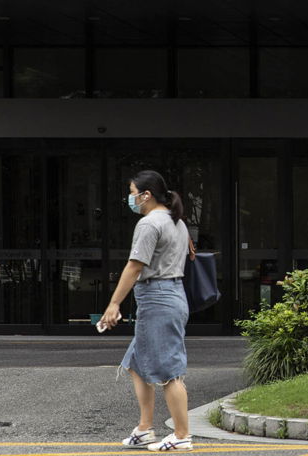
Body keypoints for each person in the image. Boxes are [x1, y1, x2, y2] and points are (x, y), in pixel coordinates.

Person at [101, 170, 193, 452]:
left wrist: (114, 303)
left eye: (132, 192)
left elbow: (134, 266)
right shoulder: (176, 221)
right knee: (136, 364)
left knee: (168, 370)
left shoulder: (149, 223)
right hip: (169, 295)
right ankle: (144, 428)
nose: (130, 198)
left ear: (146, 195)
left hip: (159, 298)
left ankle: (182, 435)